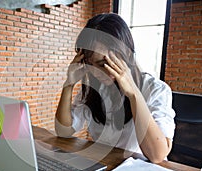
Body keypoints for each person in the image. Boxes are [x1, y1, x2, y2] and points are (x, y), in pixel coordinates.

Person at [55, 13, 175, 163]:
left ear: (126, 55)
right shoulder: (94, 89)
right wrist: (69, 84)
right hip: (105, 168)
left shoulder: (156, 89)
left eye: (101, 63)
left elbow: (157, 155)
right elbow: (63, 132)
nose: (95, 72)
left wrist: (133, 95)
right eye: (89, 64)